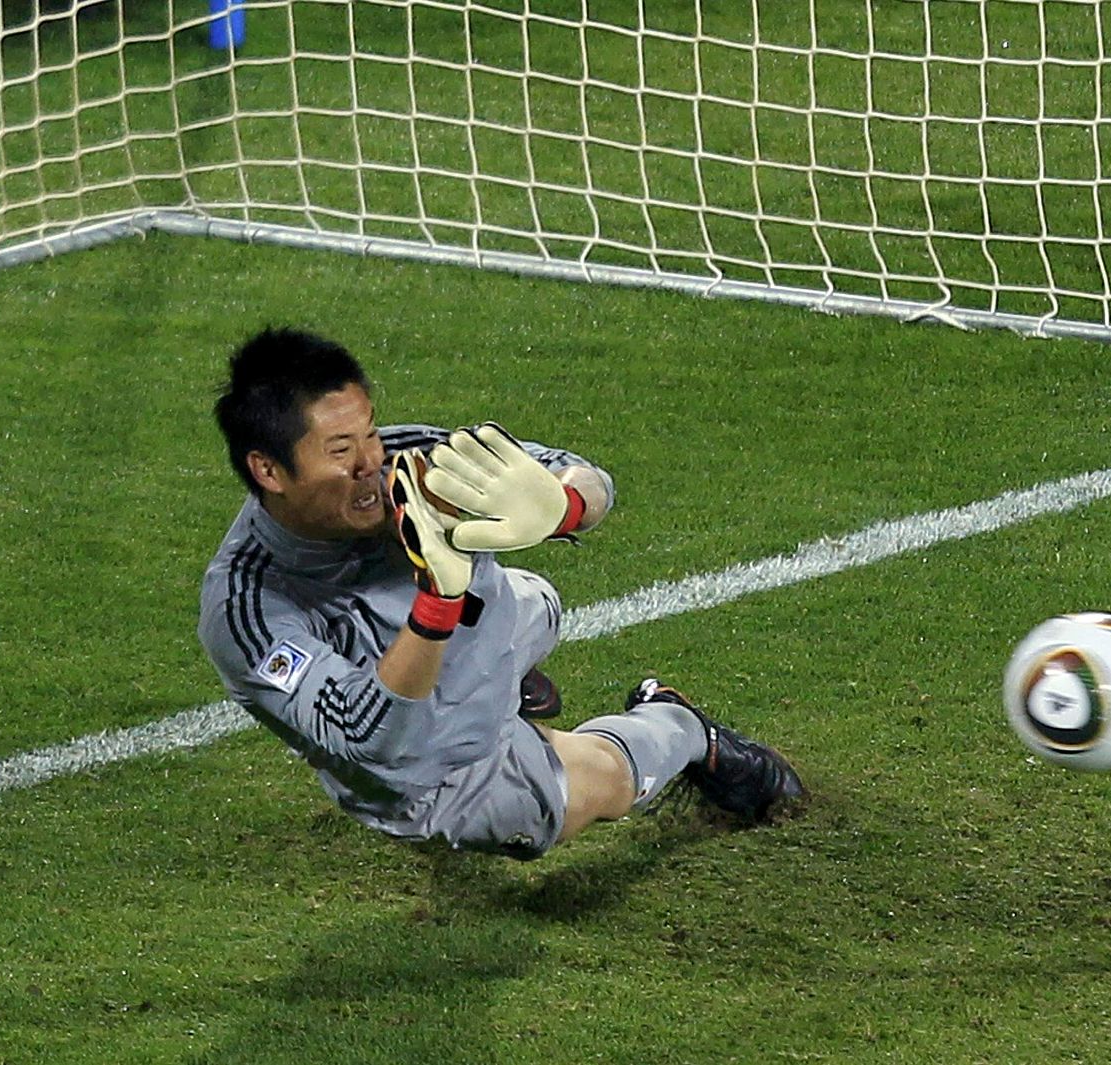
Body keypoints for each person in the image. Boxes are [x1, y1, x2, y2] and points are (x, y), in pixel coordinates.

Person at [197, 327, 803, 859]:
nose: (369, 465)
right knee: (591, 790)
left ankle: (526, 683)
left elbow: (583, 474)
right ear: (268, 470)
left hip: (490, 626)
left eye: (370, 434)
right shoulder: (249, 610)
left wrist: (565, 504)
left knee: (532, 602)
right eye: (340, 451)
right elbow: (373, 739)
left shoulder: (415, 464)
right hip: (435, 768)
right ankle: (680, 727)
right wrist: (436, 602)